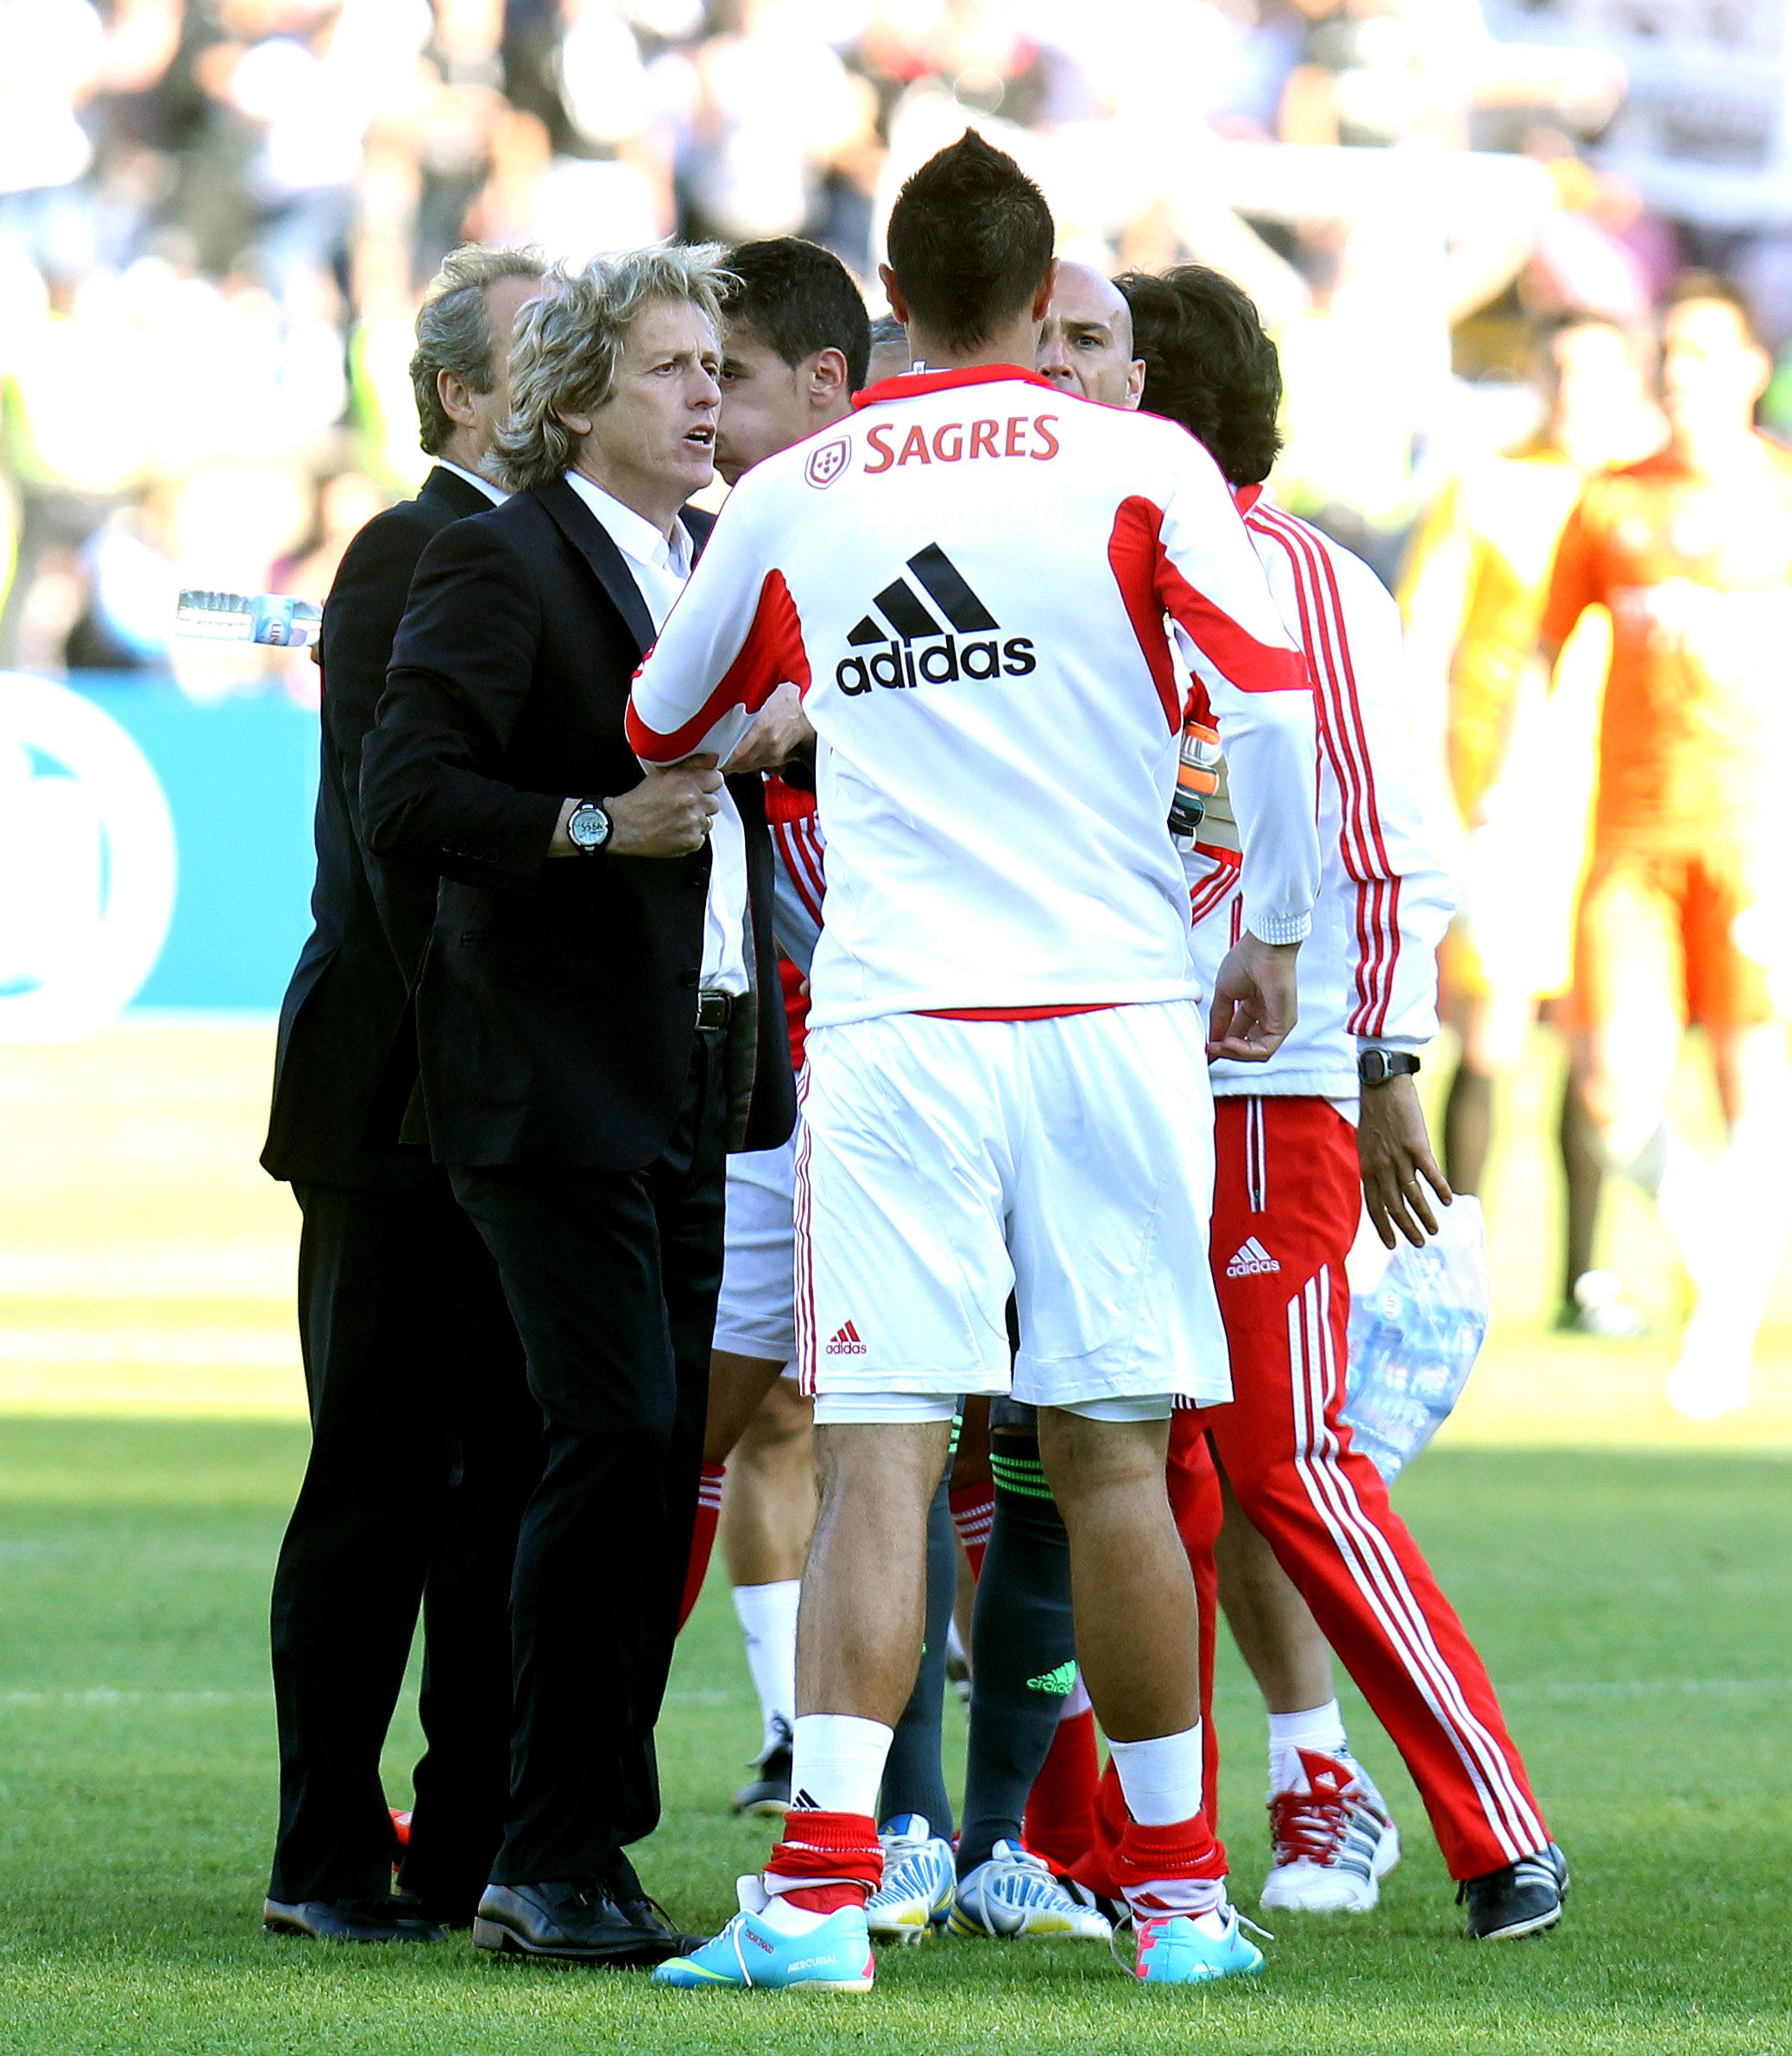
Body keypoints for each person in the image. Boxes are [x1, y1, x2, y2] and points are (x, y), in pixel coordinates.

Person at [630, 131, 1322, 1994]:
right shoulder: (1142, 462)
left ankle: (818, 1897)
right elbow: (1268, 705)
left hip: (900, 1020)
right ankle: (1179, 1901)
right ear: (1039, 294)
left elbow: (662, 709)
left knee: (879, 1451)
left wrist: (838, 692)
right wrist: (1271, 934)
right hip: (1110, 1014)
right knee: (1113, 1460)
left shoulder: (807, 481)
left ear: (893, 296)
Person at [1101, 262, 1564, 1942]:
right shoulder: (1081, 568)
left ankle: (1490, 1825)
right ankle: (1125, 1847)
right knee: (1120, 1461)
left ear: (1164, 396)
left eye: (1091, 354)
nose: (1057, 384)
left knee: (1287, 1456)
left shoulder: (1299, 579)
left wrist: (1382, 1062)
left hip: (1266, 1079)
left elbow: (1385, 841)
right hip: (1096, 1065)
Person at [359, 248, 797, 1968]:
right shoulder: (501, 556)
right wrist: (599, 825)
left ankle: (580, 1845)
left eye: (715, 368)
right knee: (604, 1437)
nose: (705, 394)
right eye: (669, 367)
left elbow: (716, 782)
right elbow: (409, 794)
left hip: (694, 1065)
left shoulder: (713, 557)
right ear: (573, 397)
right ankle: (539, 1851)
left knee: (649, 1449)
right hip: (546, 1077)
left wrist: (775, 747)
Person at [259, 245, 548, 1946]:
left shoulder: (545, 549)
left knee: (498, 1479)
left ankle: (464, 1845)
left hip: (493, 1100)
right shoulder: (406, 550)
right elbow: (398, 852)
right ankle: (321, 1855)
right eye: (545, 346)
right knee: (377, 1478)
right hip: (393, 1097)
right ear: (460, 392)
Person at [1541, 272, 1792, 1420]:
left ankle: (1722, 1331)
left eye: (1702, 352)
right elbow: (1546, 654)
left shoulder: (1781, 493)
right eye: (1669, 353)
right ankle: (1725, 1267)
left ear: (1751, 369)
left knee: (1751, 1084)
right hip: (1630, 843)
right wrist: (1513, 800)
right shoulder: (1610, 502)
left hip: (1756, 838)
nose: (1679, 373)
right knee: (1611, 1092)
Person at [1398, 313, 1659, 1334]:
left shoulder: (1647, 493)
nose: (1576, 386)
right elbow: (1423, 645)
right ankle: (1452, 1272)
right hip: (1507, 799)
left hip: (1627, 796)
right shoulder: (1489, 485)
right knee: (1493, 1032)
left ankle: (1583, 1280)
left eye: (1599, 369)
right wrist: (1433, 792)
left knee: (1600, 1039)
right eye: (1561, 366)